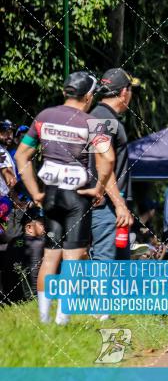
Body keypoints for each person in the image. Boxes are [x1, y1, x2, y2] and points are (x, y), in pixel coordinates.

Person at [15, 71, 115, 324]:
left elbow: (21, 156)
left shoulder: (44, 117)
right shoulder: (92, 124)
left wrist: (35, 191)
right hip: (76, 197)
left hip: (50, 195)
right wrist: (99, 187)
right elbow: (109, 158)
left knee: (50, 256)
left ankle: (44, 319)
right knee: (72, 259)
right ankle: (62, 320)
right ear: (89, 96)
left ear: (65, 92)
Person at [89, 68, 138, 261]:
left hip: (114, 205)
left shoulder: (105, 117)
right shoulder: (102, 118)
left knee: (120, 263)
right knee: (105, 262)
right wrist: (119, 205)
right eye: (131, 90)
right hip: (106, 206)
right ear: (124, 92)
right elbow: (103, 165)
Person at [1, 206, 44, 303]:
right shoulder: (38, 243)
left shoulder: (13, 242)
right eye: (42, 224)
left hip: (12, 298)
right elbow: (34, 273)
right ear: (29, 228)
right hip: (31, 297)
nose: (46, 228)